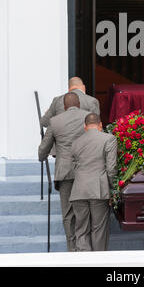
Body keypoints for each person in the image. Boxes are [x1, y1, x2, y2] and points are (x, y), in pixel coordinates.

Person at [38, 92, 89, 251]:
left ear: (65, 107)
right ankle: (84, 245)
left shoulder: (55, 121)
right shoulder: (88, 117)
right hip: (85, 170)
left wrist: (42, 156)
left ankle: (71, 246)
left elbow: (43, 149)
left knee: (68, 212)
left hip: (64, 171)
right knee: (84, 209)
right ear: (78, 104)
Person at [69, 113, 117, 251]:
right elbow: (111, 168)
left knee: (81, 230)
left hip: (78, 190)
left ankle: (84, 261)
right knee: (99, 230)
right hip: (99, 190)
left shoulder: (76, 142)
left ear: (85, 127)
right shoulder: (109, 139)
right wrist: (112, 189)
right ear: (101, 125)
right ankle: (98, 262)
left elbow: (73, 167)